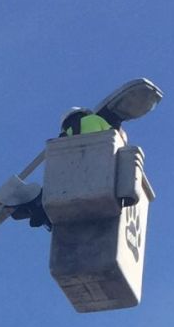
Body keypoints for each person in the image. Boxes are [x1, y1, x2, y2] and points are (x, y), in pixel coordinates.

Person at [12, 78, 163, 229]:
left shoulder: (66, 135)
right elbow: (115, 140)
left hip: (76, 172)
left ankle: (40, 212)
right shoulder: (97, 120)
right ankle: (42, 212)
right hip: (103, 170)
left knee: (54, 194)